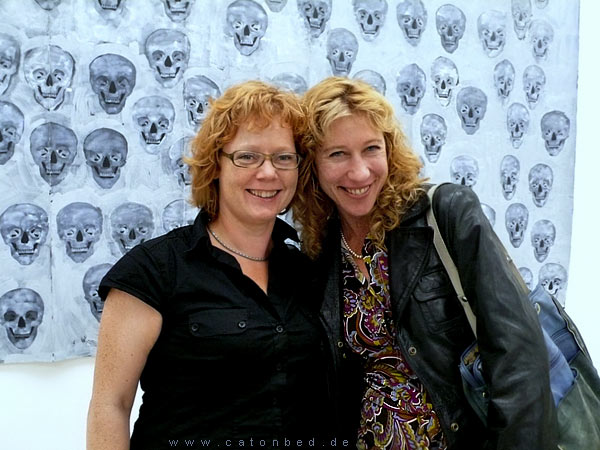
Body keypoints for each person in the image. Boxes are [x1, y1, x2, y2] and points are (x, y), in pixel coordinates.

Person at [293, 76, 558, 450]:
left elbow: (519, 354)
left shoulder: (445, 215)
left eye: (371, 148)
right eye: (337, 154)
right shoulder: (320, 254)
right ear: (312, 164)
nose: (360, 172)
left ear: (389, 150)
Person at [87, 80, 329, 449]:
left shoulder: (307, 272)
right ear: (215, 164)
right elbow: (110, 406)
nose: (268, 173)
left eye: (283, 157)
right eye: (247, 156)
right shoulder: (153, 271)